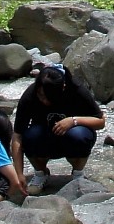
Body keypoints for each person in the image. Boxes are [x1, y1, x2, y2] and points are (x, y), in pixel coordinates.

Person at [12, 59, 106, 188]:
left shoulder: (76, 90)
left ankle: (78, 174)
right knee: (29, 136)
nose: (42, 100)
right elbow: (17, 136)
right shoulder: (30, 95)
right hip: (44, 138)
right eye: (40, 95)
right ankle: (41, 173)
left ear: (62, 89)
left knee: (79, 135)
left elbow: (100, 121)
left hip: (71, 138)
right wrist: (19, 174)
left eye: (47, 97)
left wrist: (73, 121)